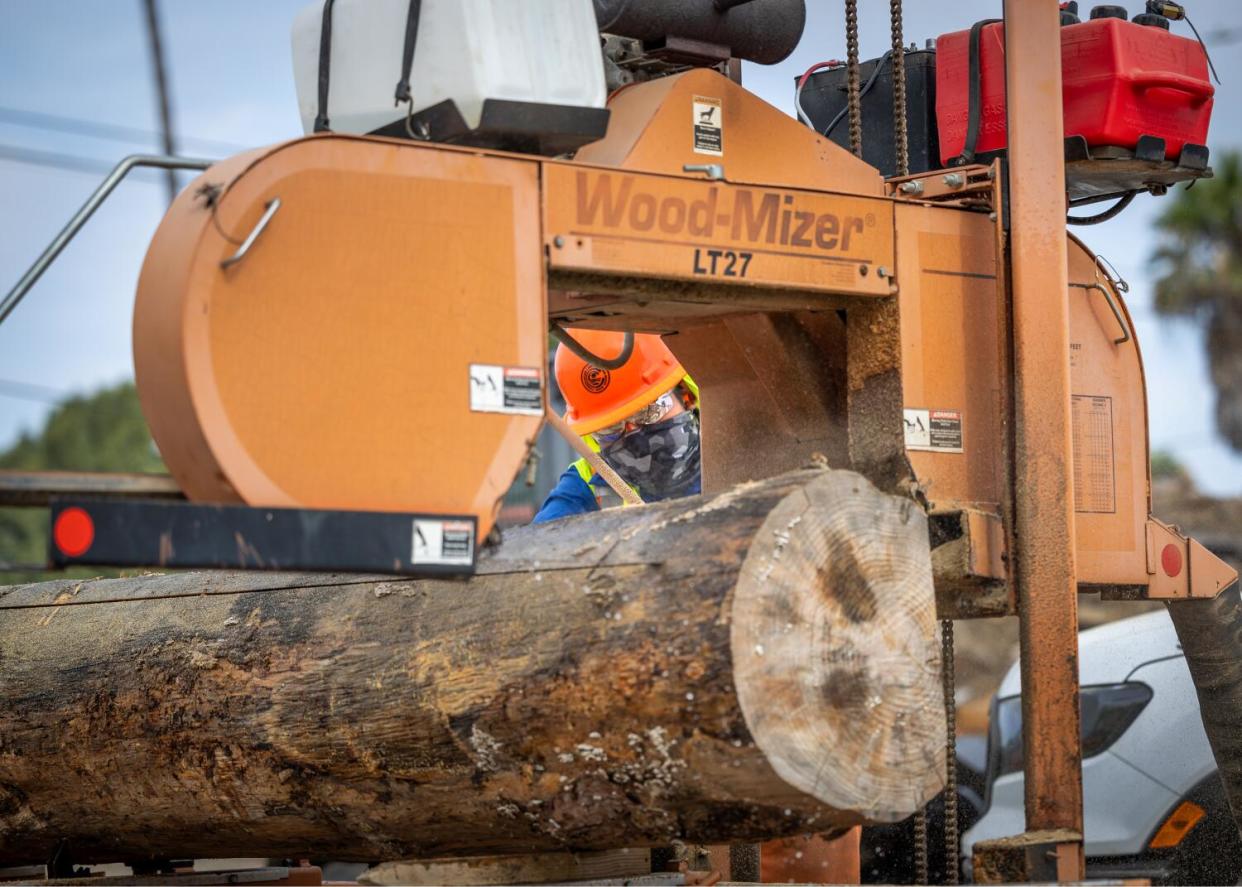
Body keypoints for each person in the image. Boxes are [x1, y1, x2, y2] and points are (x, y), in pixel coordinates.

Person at [533, 329, 701, 523]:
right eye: (609, 428)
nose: (635, 436)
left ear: (685, 394)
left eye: (650, 411)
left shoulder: (732, 444)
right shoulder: (588, 483)